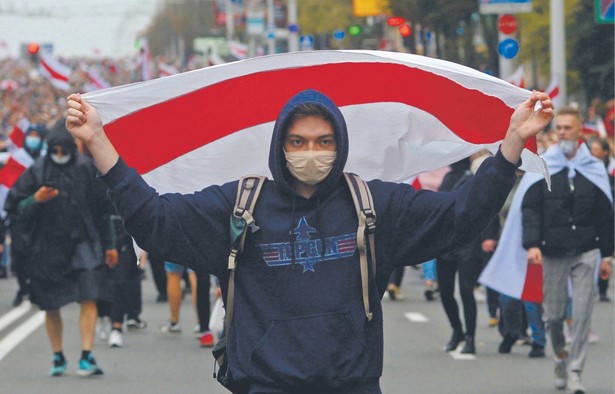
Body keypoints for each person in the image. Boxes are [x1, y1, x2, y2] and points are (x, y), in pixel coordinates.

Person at [66, 89, 553, 392]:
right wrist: (99, 143)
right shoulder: (240, 205)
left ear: (340, 146)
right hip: (265, 385)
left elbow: (460, 218)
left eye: (324, 142)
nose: (311, 153)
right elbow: (155, 222)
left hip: (354, 386)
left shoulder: (373, 206)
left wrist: (509, 147)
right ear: (279, 146)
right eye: (297, 142)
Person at [4, 119, 118, 377]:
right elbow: (15, 207)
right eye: (54, 150)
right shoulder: (37, 171)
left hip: (82, 244)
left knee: (90, 294)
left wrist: (109, 245)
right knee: (49, 302)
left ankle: (86, 355)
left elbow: (103, 211)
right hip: (47, 247)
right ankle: (58, 356)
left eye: (62, 149)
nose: (58, 154)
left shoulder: (86, 169)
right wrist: (36, 199)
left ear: (71, 147)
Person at [521, 106, 613, 393]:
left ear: (579, 131)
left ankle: (575, 371)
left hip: (587, 250)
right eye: (558, 128)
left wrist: (608, 254)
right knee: (554, 315)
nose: (562, 133)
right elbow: (531, 208)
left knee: (583, 314)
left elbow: (605, 214)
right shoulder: (544, 165)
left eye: (567, 128)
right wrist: (532, 244)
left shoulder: (594, 168)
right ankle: (560, 355)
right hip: (553, 251)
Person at [8, 124, 47, 306]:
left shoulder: (48, 160)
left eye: (36, 135)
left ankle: (36, 289)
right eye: (29, 135)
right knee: (19, 255)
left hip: (41, 217)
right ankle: (23, 287)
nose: (33, 138)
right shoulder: (16, 161)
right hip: (19, 216)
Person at [588, 137, 614, 302]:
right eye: (592, 150)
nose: (593, 153)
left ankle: (603, 287)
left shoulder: (610, 171)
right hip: (591, 213)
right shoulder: (587, 167)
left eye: (597, 150)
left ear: (604, 152)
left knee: (605, 249)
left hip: (607, 212)